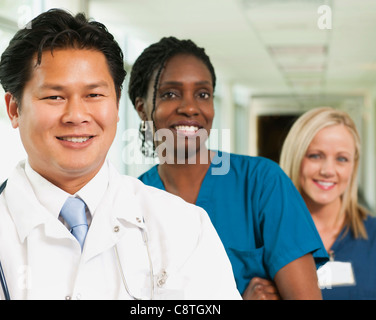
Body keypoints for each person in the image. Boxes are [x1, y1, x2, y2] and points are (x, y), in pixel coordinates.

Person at [0, 9, 241, 300]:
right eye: (54, 96)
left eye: (94, 95)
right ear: (14, 109)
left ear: (116, 107)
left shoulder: (185, 227)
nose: (76, 115)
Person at [128, 36, 329, 300]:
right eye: (170, 93)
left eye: (203, 94)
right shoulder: (130, 204)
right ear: (142, 108)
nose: (190, 107)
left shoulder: (262, 184)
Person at [280, 107, 376, 299]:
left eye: (341, 159)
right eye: (315, 155)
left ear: (353, 165)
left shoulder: (372, 236)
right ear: (296, 157)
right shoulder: (267, 236)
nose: (328, 170)